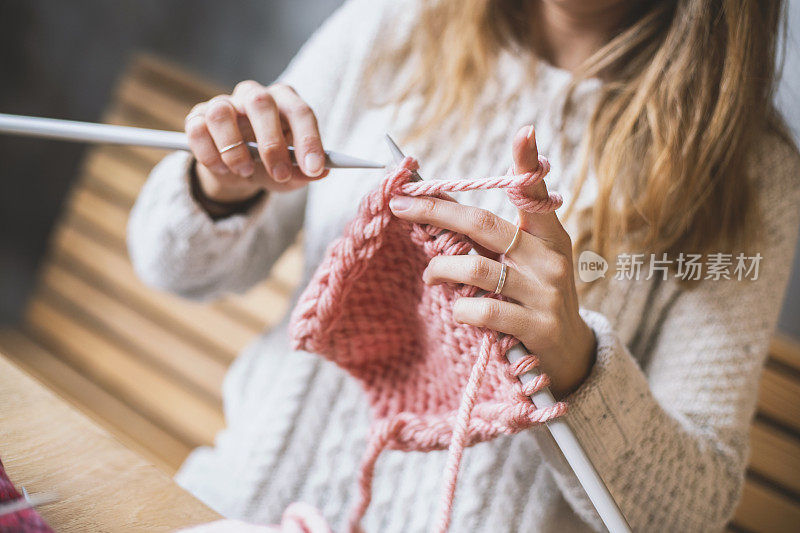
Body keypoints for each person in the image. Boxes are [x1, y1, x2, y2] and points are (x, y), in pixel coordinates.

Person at [127, 0, 800, 531]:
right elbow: (169, 265)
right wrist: (218, 186)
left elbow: (691, 510)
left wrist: (574, 361)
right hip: (236, 507)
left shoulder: (749, 167)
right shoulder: (393, 22)